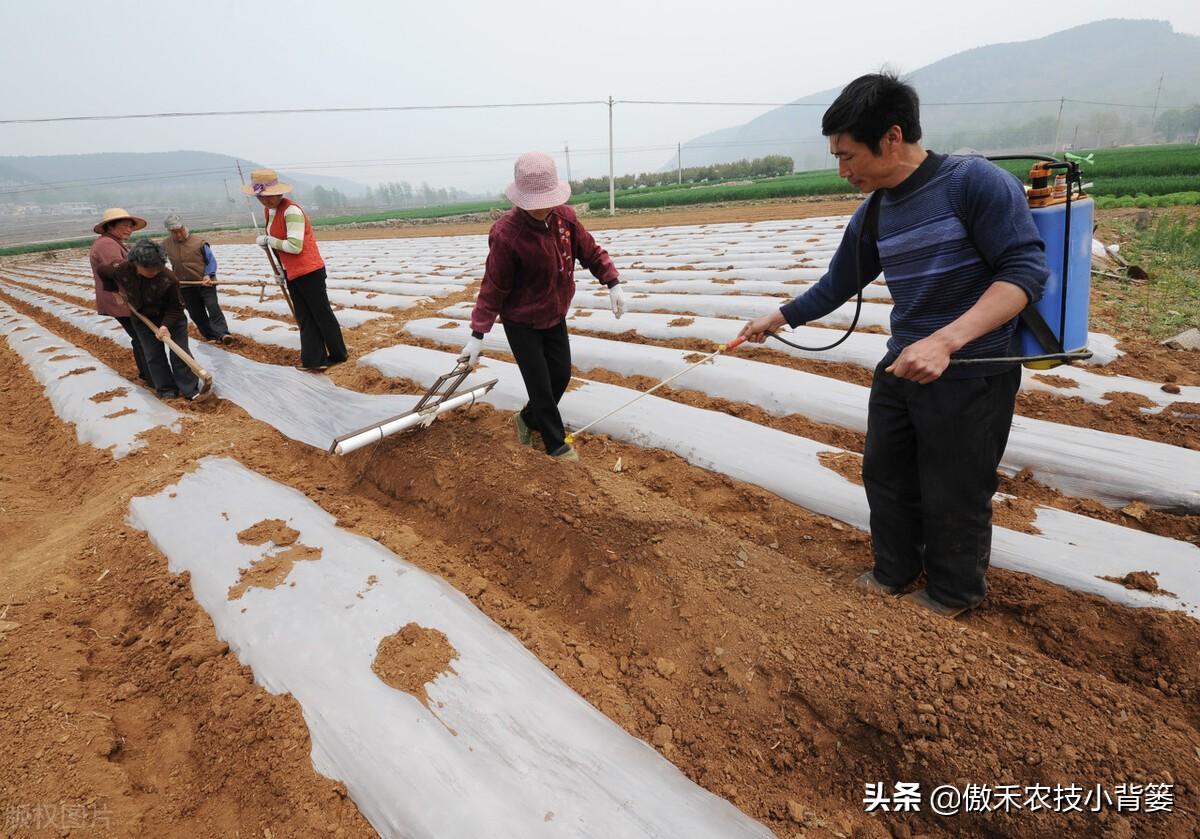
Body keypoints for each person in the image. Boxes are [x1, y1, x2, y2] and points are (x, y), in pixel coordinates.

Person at [738, 73, 1049, 618]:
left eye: (848, 155)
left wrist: (946, 341)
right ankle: (895, 569)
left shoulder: (974, 184)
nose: (843, 171)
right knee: (885, 471)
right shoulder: (877, 210)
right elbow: (839, 283)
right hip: (905, 359)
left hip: (973, 365)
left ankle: (953, 593)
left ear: (891, 137)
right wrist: (778, 317)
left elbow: (1024, 275)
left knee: (955, 485)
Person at [459, 152, 625, 462]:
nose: (542, 207)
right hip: (522, 322)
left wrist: (611, 281)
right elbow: (493, 287)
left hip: (554, 313)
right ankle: (555, 444)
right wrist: (477, 334)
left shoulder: (565, 219)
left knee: (560, 376)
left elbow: (590, 251)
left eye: (546, 199)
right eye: (534, 201)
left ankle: (525, 419)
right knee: (541, 387)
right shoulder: (507, 235)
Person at [243, 169, 347, 371]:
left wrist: (269, 240)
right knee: (304, 316)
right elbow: (281, 249)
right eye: (261, 198)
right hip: (292, 272)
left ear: (278, 192)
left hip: (309, 272)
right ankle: (314, 360)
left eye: (268, 196)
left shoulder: (291, 211)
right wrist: (281, 270)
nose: (265, 201)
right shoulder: (269, 212)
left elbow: (294, 246)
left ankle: (338, 354)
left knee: (320, 313)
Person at [100, 239, 201, 401]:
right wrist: (113, 292)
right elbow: (102, 271)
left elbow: (176, 307)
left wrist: (165, 326)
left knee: (179, 353)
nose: (153, 272)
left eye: (157, 268)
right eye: (148, 269)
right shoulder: (122, 269)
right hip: (143, 318)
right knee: (153, 355)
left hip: (172, 319)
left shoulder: (168, 278)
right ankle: (167, 390)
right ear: (135, 263)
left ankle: (190, 390)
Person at [88, 208, 152, 385]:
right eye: (124, 226)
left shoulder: (113, 242)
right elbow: (121, 272)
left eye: (131, 226)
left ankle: (148, 374)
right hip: (120, 300)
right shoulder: (107, 245)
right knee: (141, 337)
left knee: (139, 336)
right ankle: (151, 376)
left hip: (122, 298)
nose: (129, 230)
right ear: (110, 226)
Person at [162, 214, 233, 345]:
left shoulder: (199, 242)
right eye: (174, 232)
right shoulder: (166, 244)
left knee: (213, 308)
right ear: (169, 231)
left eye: (180, 230)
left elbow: (210, 261)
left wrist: (208, 274)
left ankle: (223, 334)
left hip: (205, 282)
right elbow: (160, 262)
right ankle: (210, 335)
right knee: (195, 313)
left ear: (184, 227)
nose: (178, 234)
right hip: (184, 285)